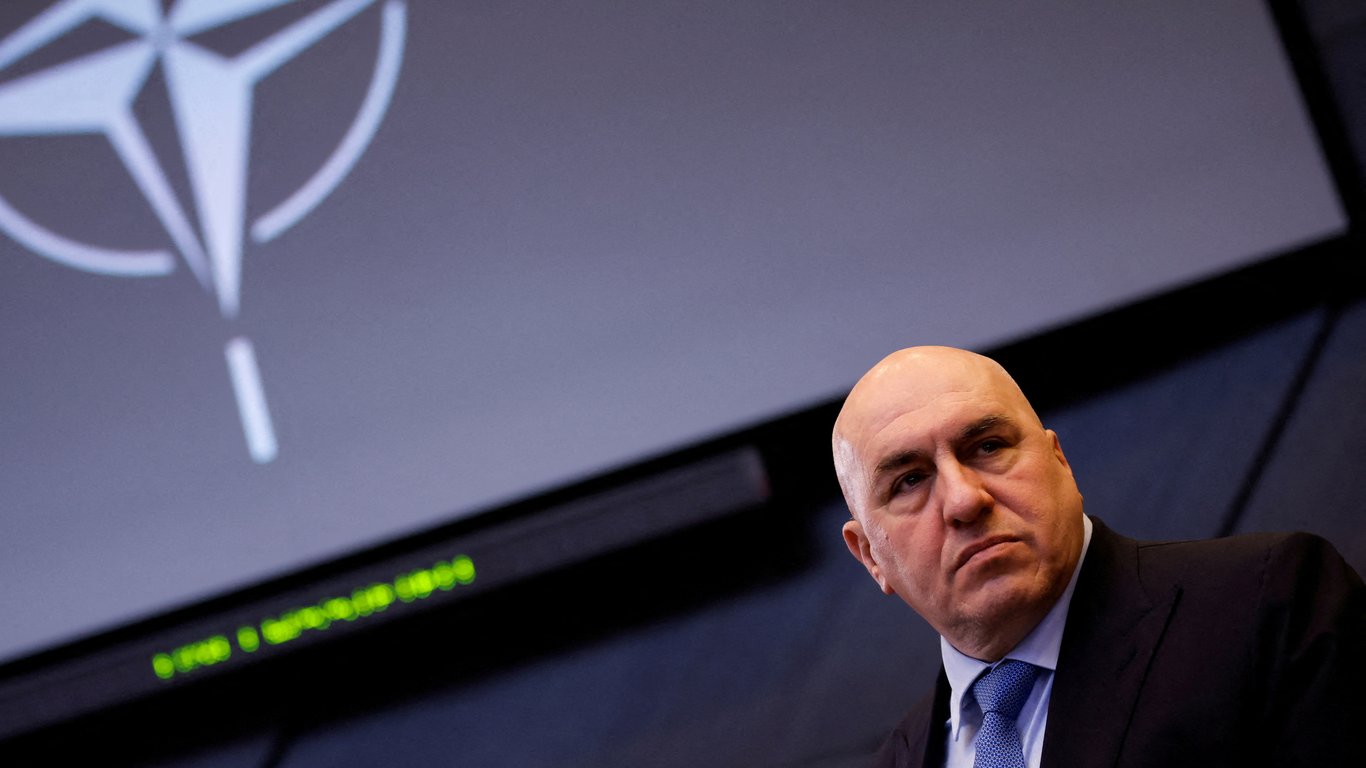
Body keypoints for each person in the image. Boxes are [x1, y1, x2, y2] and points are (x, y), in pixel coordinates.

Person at [832, 345, 1366, 768]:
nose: (965, 500)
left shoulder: (1265, 605)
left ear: (1060, 461)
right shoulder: (899, 759)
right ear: (870, 556)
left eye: (989, 446)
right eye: (909, 481)